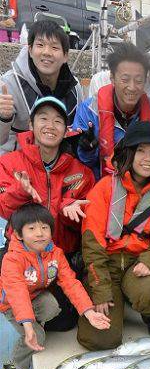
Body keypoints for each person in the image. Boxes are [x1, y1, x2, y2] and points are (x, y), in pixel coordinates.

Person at [77, 122, 150, 350]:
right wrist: (100, 290)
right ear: (129, 152)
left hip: (137, 265)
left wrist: (149, 260)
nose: (147, 158)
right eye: (141, 150)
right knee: (100, 340)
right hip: (106, 267)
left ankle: (148, 310)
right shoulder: (104, 187)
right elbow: (92, 246)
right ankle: (114, 299)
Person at [0, 96, 95, 331]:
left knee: (65, 322)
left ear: (66, 130)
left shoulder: (81, 172)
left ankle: (37, 304)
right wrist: (19, 192)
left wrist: (68, 211)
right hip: (22, 254)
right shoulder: (9, 163)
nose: (50, 125)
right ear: (31, 125)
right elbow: (3, 208)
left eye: (58, 121)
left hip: (58, 256)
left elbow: (88, 220)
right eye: (43, 118)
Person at [0, 204, 109, 369]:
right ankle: (15, 364)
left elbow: (71, 283)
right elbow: (17, 292)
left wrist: (89, 312)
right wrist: (28, 325)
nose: (39, 233)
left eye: (44, 227)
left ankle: (34, 327)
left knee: (53, 306)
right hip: (11, 304)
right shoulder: (12, 259)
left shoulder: (55, 253)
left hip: (35, 296)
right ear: (19, 234)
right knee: (39, 336)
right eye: (32, 228)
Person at [72, 42, 150, 180]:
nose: (132, 87)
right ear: (112, 78)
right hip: (99, 192)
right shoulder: (89, 111)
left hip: (141, 196)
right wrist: (87, 150)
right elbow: (77, 166)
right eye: (125, 79)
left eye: (138, 81)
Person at [0, 20, 83, 154]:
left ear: (65, 56)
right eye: (40, 45)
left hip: (56, 165)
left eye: (54, 48)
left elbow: (75, 132)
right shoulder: (8, 85)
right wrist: (4, 118)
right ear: (30, 50)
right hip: (16, 167)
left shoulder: (74, 88)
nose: (46, 52)